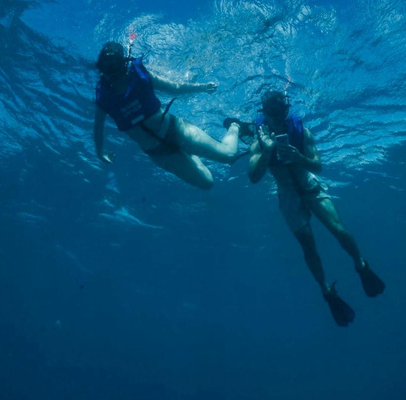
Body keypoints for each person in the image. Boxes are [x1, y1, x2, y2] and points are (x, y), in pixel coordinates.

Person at [245, 91, 385, 327]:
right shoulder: (259, 142)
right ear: (264, 114)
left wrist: (300, 158)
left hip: (310, 184)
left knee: (338, 229)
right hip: (288, 194)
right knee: (308, 246)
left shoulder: (302, 133)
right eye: (272, 114)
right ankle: (327, 290)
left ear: (286, 111)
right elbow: (253, 177)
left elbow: (317, 166)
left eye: (281, 112)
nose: (277, 118)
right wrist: (268, 151)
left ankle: (361, 264)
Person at [93, 42, 250, 190]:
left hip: (177, 131)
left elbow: (174, 87)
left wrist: (202, 87)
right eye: (106, 67)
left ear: (124, 63)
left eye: (115, 65)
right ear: (101, 68)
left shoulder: (140, 77)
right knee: (206, 182)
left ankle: (234, 126)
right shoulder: (103, 98)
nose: (111, 72)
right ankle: (189, 153)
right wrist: (100, 152)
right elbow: (98, 128)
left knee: (229, 155)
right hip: (159, 153)